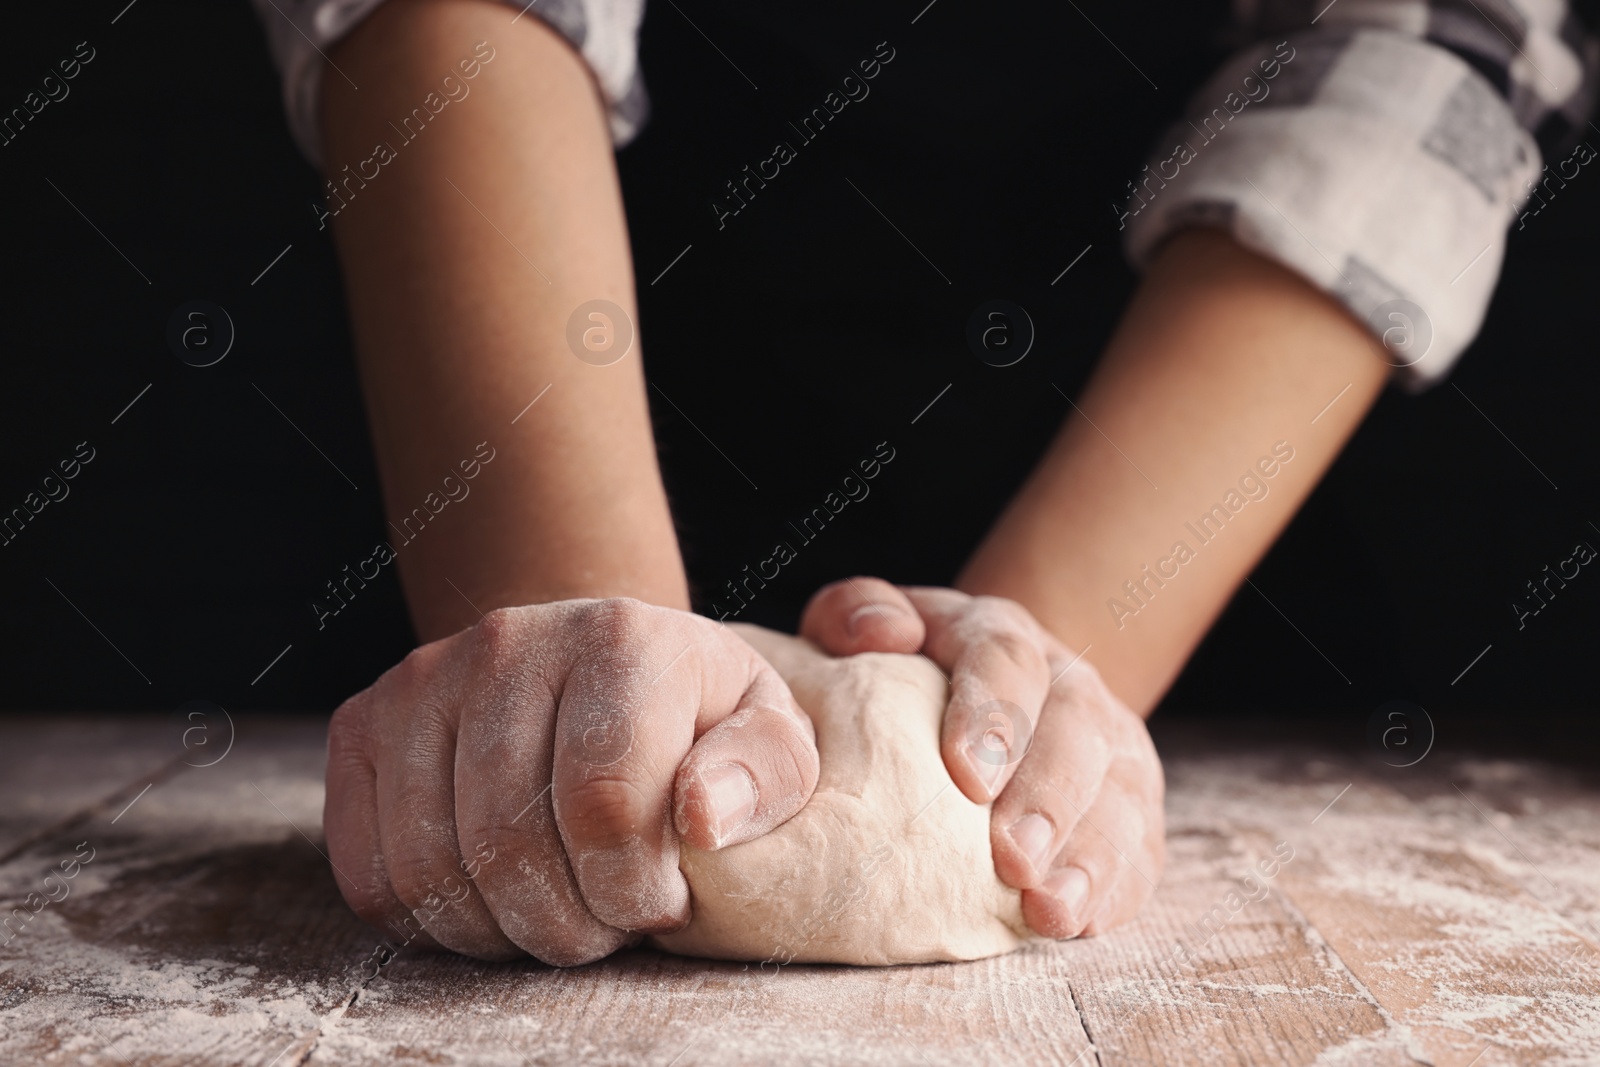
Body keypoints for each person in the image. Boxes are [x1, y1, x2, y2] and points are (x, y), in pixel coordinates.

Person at [251, 0, 1596, 962]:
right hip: (559, 346)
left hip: (1163, 424)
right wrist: (571, 687)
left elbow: (1427, 41)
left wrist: (1024, 706)